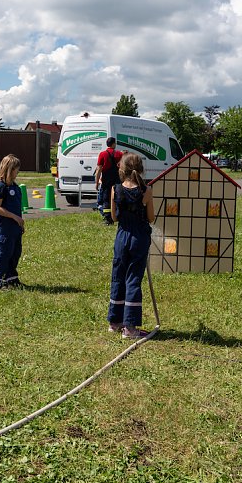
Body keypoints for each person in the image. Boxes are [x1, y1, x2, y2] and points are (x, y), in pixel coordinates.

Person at [107, 153, 155, 340]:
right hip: (139, 237)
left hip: (122, 237)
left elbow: (114, 217)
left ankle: (115, 322)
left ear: (122, 169)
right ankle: (130, 327)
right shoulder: (146, 190)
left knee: (118, 276)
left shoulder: (115, 189)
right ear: (141, 169)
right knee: (133, 278)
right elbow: (151, 218)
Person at [0, 154, 25, 289]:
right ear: (9, 169)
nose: (17, 172)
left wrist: (20, 222)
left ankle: (12, 277)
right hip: (5, 228)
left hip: (15, 228)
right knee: (4, 253)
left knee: (15, 252)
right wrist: (14, 217)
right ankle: (1, 280)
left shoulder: (15, 187)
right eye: (15, 169)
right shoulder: (1, 187)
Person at [94, 136, 123, 224]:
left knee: (106, 199)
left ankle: (108, 219)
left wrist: (97, 183)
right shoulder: (119, 154)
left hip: (106, 179)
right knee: (117, 198)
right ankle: (117, 216)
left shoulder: (102, 154)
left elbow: (99, 169)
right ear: (113, 144)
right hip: (117, 179)